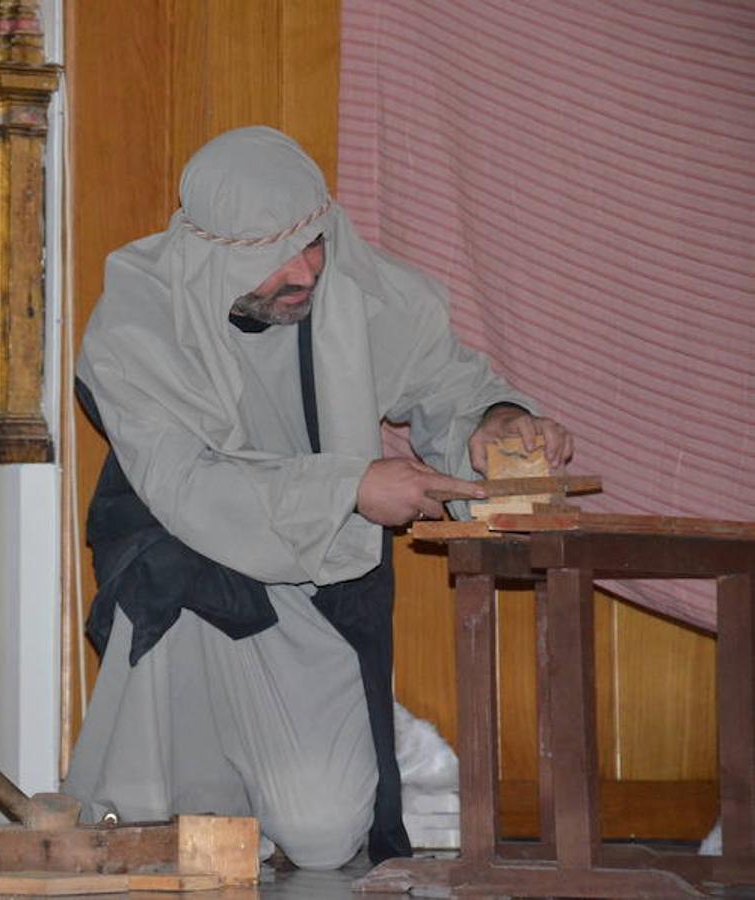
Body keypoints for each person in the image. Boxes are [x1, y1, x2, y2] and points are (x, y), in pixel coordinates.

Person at [64, 126, 572, 869]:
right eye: (276, 256)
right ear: (214, 255)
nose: (304, 270)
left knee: (326, 835)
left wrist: (496, 425)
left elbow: (449, 389)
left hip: (319, 576)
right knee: (155, 822)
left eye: (314, 242)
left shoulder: (357, 289)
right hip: (191, 572)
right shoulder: (138, 320)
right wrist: (351, 488)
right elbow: (184, 484)